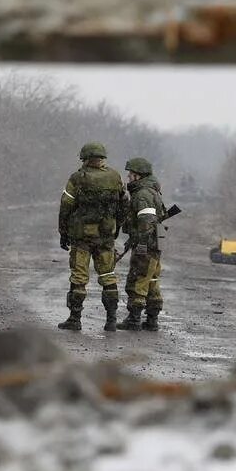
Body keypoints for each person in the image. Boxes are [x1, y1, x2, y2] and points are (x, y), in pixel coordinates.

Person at [56, 142, 126, 332]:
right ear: (103, 158)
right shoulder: (115, 177)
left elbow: (66, 206)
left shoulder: (78, 178)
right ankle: (111, 320)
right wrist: (116, 227)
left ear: (85, 158)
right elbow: (123, 205)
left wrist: (63, 232)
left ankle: (75, 318)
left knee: (79, 277)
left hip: (82, 237)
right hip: (106, 236)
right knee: (108, 276)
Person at [120, 156, 166, 331]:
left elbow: (146, 221)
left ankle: (134, 320)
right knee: (152, 280)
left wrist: (140, 243)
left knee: (138, 279)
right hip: (155, 244)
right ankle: (152, 320)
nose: (129, 178)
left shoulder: (142, 194)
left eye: (131, 174)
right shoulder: (152, 191)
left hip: (146, 244)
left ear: (138, 176)